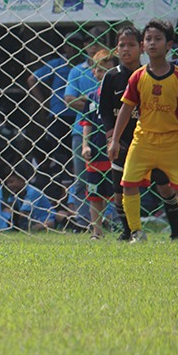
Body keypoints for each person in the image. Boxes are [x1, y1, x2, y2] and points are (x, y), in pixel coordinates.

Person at [99, 26, 178, 241]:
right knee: (124, 187)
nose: (126, 49)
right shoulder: (120, 77)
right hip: (134, 141)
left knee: (171, 187)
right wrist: (113, 138)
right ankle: (132, 232)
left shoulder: (173, 76)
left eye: (131, 44)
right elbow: (114, 110)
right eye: (122, 45)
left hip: (164, 140)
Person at [27, 40, 74, 187]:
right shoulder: (57, 64)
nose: (73, 48)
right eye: (70, 45)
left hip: (79, 113)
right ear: (65, 47)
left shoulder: (86, 64)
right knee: (59, 151)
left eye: (77, 44)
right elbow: (32, 79)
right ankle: (60, 184)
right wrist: (42, 103)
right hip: (58, 114)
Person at [79, 50, 115, 238]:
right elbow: (87, 123)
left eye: (107, 70)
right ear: (93, 72)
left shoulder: (121, 95)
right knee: (94, 195)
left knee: (119, 193)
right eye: (99, 70)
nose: (103, 74)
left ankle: (126, 228)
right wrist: (85, 145)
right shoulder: (92, 97)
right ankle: (97, 231)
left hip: (115, 151)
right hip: (96, 152)